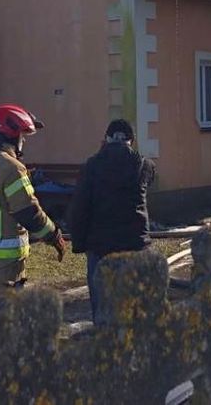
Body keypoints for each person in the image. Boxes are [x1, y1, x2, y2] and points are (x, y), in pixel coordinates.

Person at [0, 104, 67, 303]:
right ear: (11, 135)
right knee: (3, 322)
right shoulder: (11, 168)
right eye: (22, 135)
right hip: (5, 261)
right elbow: (29, 213)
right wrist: (54, 236)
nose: (23, 140)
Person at [66, 119, 156, 323]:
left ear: (106, 139)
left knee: (102, 308)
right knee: (134, 306)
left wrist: (80, 243)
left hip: (100, 247)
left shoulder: (92, 165)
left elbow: (79, 208)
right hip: (135, 246)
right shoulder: (144, 164)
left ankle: (105, 347)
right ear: (131, 141)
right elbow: (150, 178)